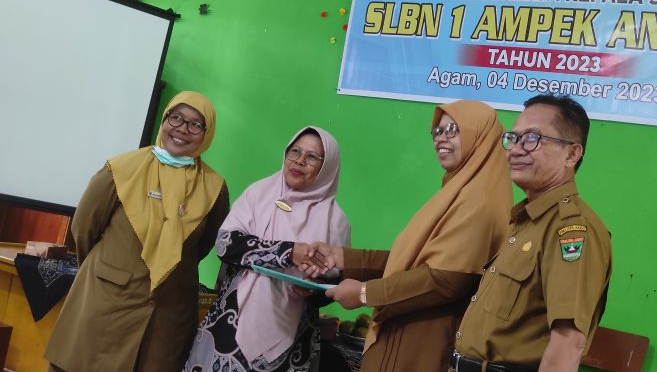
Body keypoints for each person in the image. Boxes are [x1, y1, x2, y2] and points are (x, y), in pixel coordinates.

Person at [316, 100, 513, 372]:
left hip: (423, 345)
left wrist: (364, 293)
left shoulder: (479, 201)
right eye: (437, 131)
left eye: (452, 130)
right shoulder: (458, 193)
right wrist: (342, 258)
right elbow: (411, 261)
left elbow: (445, 280)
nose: (441, 138)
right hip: (408, 335)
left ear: (479, 135)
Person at [45, 91, 231, 372]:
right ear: (164, 119)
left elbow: (202, 246)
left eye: (196, 124)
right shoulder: (121, 169)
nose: (183, 129)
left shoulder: (214, 188)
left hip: (167, 317)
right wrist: (106, 269)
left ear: (207, 134)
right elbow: (83, 228)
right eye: (176, 118)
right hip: (105, 301)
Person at [451, 94, 613, 372]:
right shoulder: (526, 221)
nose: (515, 150)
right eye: (512, 139)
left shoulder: (571, 230)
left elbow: (568, 343)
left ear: (572, 154)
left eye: (532, 139)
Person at [182, 126, 351, 372]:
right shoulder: (258, 193)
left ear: (328, 167)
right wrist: (289, 252)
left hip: (294, 336)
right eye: (295, 152)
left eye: (312, 157)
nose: (299, 161)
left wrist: (314, 290)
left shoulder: (336, 220)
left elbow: (336, 283)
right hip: (232, 321)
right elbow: (226, 244)